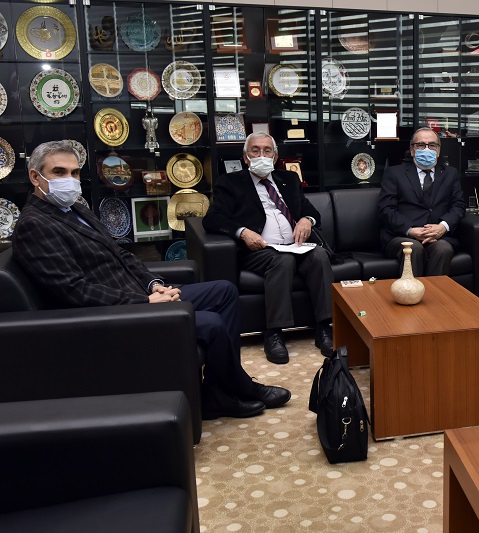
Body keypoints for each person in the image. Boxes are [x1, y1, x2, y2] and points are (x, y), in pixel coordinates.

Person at [12, 140, 290, 420]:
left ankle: (217, 393)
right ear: (36, 176)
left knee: (224, 291)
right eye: (59, 172)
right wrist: (145, 301)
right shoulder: (34, 224)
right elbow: (74, 291)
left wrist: (154, 284)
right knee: (212, 322)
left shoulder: (75, 209)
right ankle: (239, 387)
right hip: (117, 313)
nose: (70, 180)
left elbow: (122, 254)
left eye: (74, 173)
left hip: (140, 294)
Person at [202, 132, 333, 364]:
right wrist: (242, 232)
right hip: (260, 251)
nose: (261, 155)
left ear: (275, 156)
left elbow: (311, 211)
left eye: (267, 151)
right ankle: (274, 333)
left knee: (319, 256)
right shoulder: (230, 183)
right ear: (246, 157)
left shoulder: (289, 179)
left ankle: (323, 327)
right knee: (282, 260)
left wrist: (307, 220)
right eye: (255, 151)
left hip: (295, 246)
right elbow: (212, 219)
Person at [378, 127, 466, 277]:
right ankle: (412, 291)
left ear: (438, 151)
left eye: (432, 145)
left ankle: (433, 292)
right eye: (421, 145)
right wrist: (411, 230)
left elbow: (458, 206)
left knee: (444, 249)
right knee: (413, 248)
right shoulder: (394, 173)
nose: (427, 149)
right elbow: (386, 209)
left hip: (438, 236)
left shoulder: (450, 173)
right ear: (412, 150)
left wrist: (442, 227)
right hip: (402, 236)